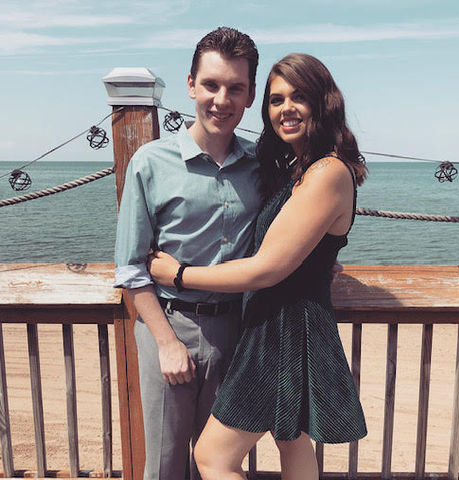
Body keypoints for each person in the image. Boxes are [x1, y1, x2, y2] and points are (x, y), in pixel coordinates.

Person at [148, 53, 368, 480]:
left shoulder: (326, 171)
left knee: (213, 457)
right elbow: (301, 246)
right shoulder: (302, 168)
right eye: (276, 99)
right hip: (287, 323)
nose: (286, 108)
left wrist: (177, 274)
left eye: (299, 97)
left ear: (324, 102)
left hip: (281, 330)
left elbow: (266, 268)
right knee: (292, 441)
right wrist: (320, 263)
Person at [114, 27, 262, 480]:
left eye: (235, 88)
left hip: (237, 332)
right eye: (211, 85)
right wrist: (166, 343)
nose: (222, 100)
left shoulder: (263, 166)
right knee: (164, 464)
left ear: (251, 94)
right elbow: (131, 267)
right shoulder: (150, 162)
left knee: (218, 464)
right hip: (169, 323)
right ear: (191, 84)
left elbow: (287, 231)